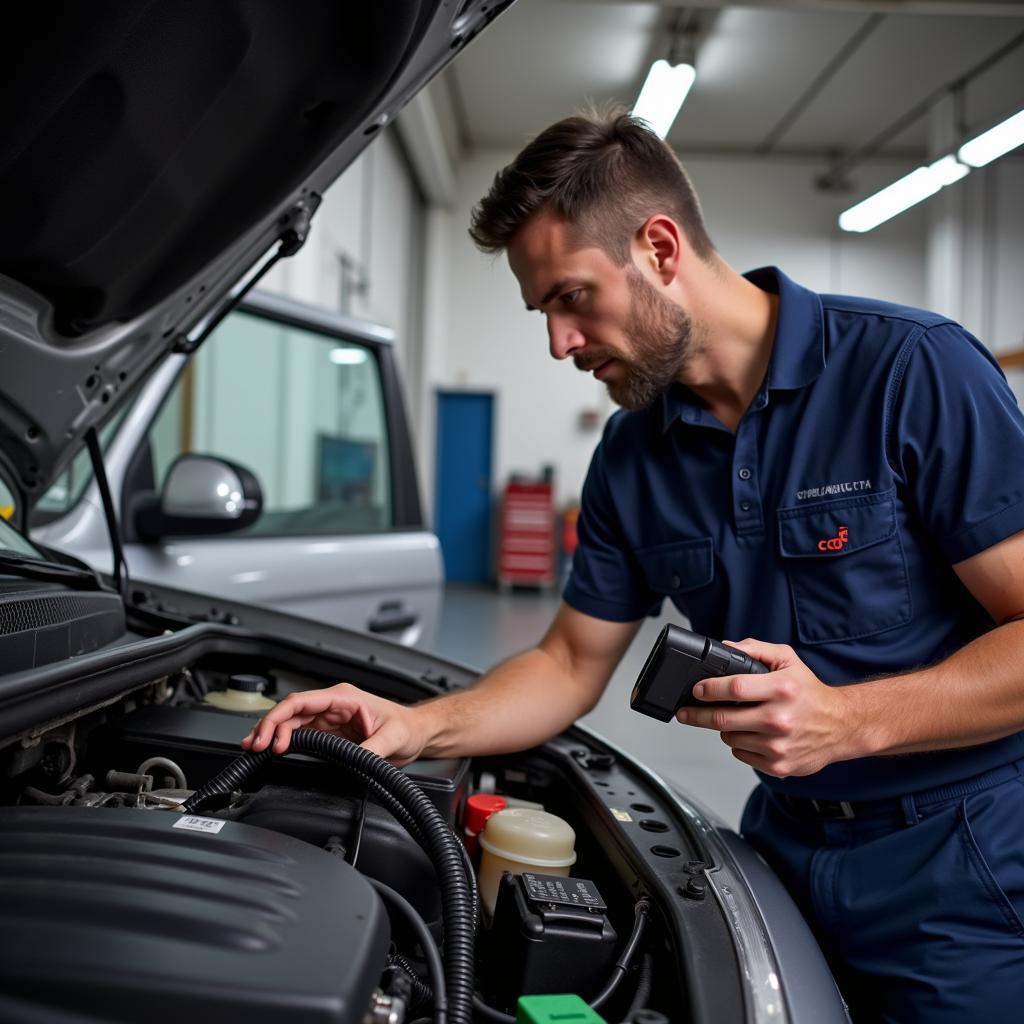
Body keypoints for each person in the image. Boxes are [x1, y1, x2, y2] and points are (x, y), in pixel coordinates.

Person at [244, 109, 1024, 1021]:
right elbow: (569, 663)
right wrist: (418, 726)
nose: (559, 344)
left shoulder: (911, 372)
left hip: (961, 866)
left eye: (572, 298)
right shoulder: (631, 454)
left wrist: (848, 720)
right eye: (543, 313)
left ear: (658, 247)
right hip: (783, 853)